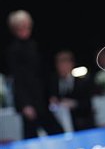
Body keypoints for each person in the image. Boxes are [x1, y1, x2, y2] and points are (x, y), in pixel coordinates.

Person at [6, 10, 64, 139]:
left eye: (27, 25)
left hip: (42, 99)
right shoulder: (14, 50)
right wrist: (25, 104)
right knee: (31, 135)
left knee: (57, 132)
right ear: (14, 28)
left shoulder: (35, 45)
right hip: (29, 101)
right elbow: (19, 80)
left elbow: (46, 73)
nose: (25, 29)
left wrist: (53, 94)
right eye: (21, 26)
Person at [49, 51, 95, 131]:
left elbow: (89, 102)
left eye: (64, 61)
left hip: (81, 123)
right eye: (58, 62)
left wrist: (74, 104)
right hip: (59, 124)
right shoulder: (53, 81)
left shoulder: (82, 80)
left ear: (71, 63)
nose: (61, 65)